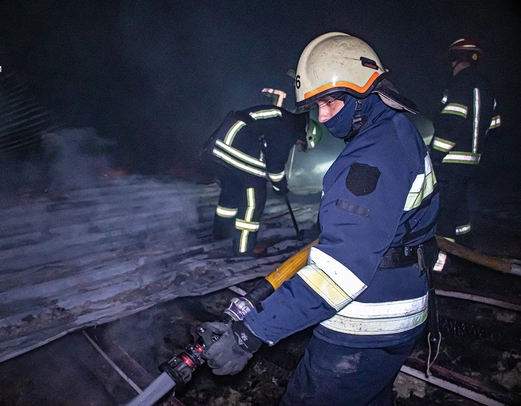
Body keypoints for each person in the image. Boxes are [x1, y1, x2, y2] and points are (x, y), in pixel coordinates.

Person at [196, 32, 440, 405]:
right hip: (404, 307)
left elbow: (337, 276)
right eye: (317, 107)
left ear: (362, 91)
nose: (323, 117)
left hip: (364, 326)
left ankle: (236, 244)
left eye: (329, 102)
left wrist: (250, 333)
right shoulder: (399, 130)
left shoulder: (366, 162)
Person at [203, 89, 320, 256]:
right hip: (236, 145)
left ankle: (221, 234)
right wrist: (281, 188)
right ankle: (244, 249)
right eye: (301, 144)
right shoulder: (287, 128)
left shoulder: (283, 118)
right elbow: (275, 166)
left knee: (231, 190)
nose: (297, 145)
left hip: (222, 144)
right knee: (255, 195)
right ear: (306, 135)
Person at [430, 38, 502, 270]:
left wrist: (434, 156)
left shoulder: (459, 84)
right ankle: (468, 259)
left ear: (454, 59)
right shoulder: (486, 86)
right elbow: (495, 126)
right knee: (461, 215)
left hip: (451, 163)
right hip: (472, 163)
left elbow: (451, 123)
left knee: (443, 217)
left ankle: (442, 269)